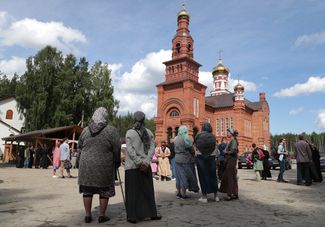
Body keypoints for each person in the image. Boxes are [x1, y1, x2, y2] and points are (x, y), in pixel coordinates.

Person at [78, 107, 121, 223]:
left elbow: (80, 146)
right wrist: (117, 162)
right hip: (104, 166)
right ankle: (102, 215)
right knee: (104, 190)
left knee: (87, 190)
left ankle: (88, 215)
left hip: (86, 166)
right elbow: (117, 148)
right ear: (106, 117)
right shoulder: (111, 131)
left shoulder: (85, 130)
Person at [124, 111, 161, 224]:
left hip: (132, 166)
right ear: (144, 120)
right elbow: (152, 148)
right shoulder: (149, 132)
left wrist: (139, 162)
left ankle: (133, 216)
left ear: (134, 119)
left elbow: (130, 150)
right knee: (147, 191)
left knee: (132, 192)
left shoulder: (130, 133)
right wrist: (146, 162)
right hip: (146, 166)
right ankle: (151, 213)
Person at [194, 122, 219, 203]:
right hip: (211, 157)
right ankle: (216, 196)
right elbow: (216, 148)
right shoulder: (213, 136)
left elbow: (196, 146)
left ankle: (204, 197)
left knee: (202, 176)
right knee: (213, 176)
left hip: (201, 157)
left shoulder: (198, 135)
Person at [174, 125, 199, 199]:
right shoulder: (185, 138)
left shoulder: (175, 138)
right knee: (184, 176)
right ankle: (183, 194)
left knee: (178, 176)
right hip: (185, 160)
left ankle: (178, 193)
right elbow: (192, 150)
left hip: (177, 158)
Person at [219, 128, 239, 201]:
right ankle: (234, 193)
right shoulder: (232, 140)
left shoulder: (233, 141)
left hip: (231, 160)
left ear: (231, 133)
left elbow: (233, 151)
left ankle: (230, 195)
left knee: (230, 177)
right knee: (232, 176)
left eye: (228, 132)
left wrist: (225, 152)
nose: (227, 133)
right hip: (230, 160)